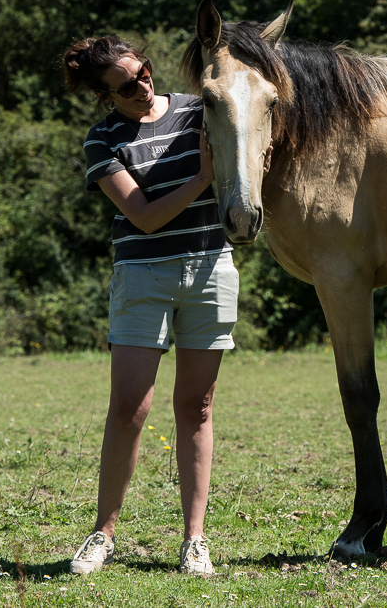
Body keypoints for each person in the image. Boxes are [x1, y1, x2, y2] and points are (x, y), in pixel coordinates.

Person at [62, 35, 236, 575]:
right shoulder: (103, 140)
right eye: (125, 86)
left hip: (211, 271)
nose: (142, 87)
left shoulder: (196, 112)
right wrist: (204, 179)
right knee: (129, 411)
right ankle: (103, 534)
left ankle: (194, 541)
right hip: (142, 275)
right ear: (103, 96)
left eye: (143, 73)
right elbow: (143, 216)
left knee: (197, 408)